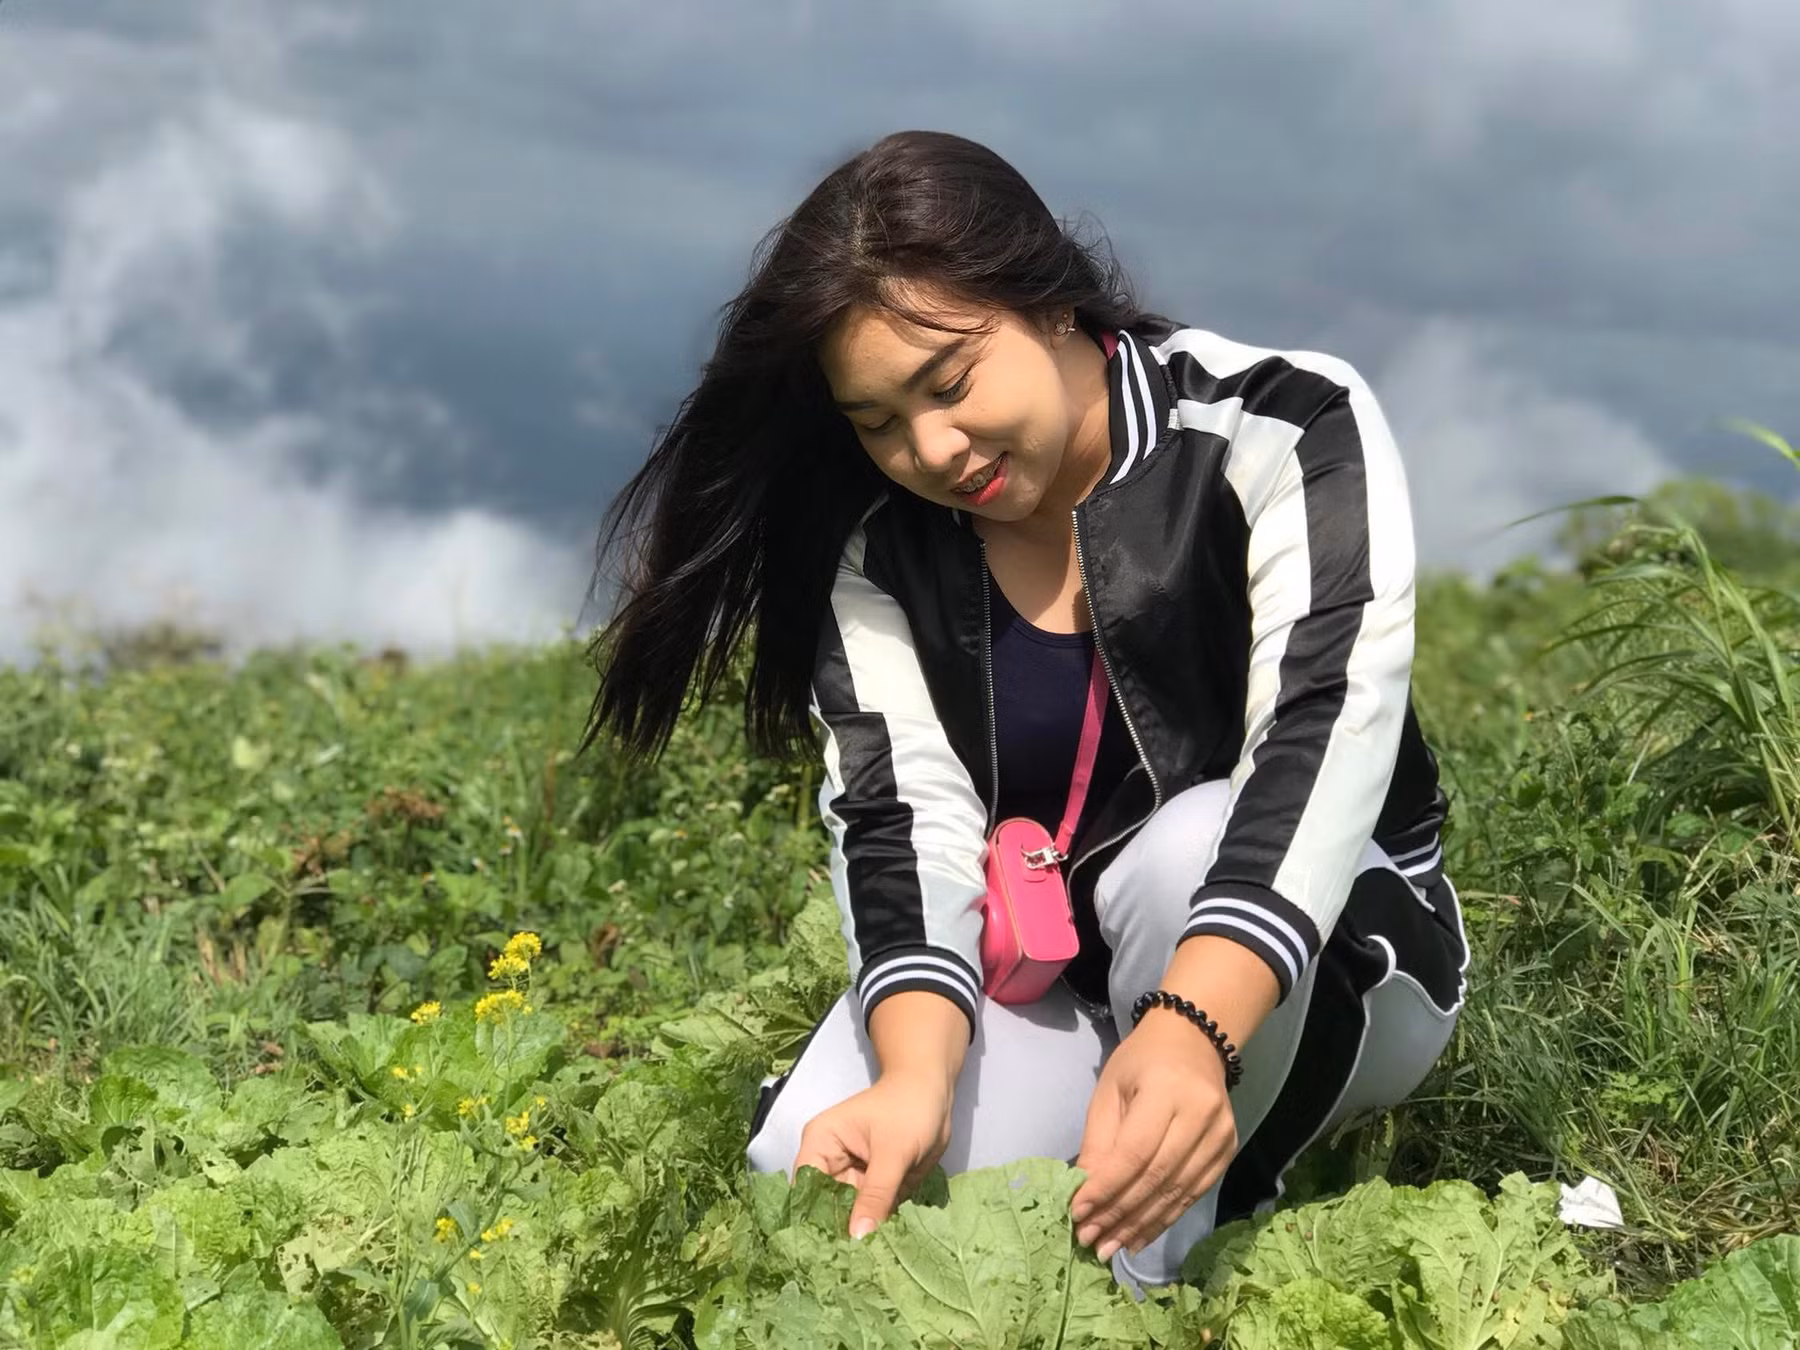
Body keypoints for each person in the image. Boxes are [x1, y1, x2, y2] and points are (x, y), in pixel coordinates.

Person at [582, 129, 1470, 1294]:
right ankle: (1105, 1211)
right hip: (1064, 975)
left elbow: (1323, 729)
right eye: (877, 422)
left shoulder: (1284, 424)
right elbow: (904, 822)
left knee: (1185, 851)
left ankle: (1158, 1273)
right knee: (815, 1166)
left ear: (1052, 300)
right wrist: (914, 1075)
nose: (931, 449)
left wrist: (1192, 1026)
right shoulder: (877, 555)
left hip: (1331, 960)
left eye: (949, 383)